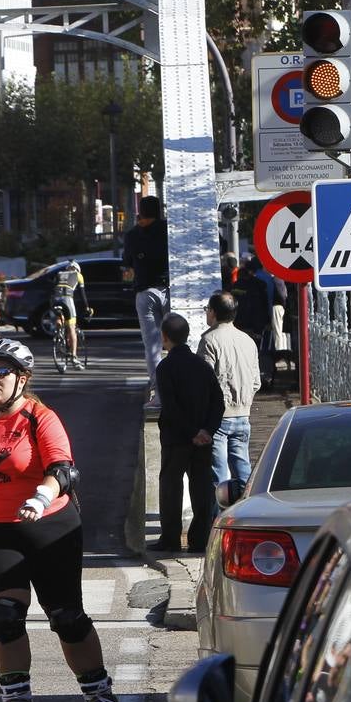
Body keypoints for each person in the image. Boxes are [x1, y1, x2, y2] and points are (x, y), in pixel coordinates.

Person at [0, 337, 124, 702]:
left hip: (49, 525)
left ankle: (98, 692)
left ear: (22, 379)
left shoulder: (39, 417)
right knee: (5, 617)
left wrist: (41, 496)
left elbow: (64, 469)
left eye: (2, 372)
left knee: (66, 615)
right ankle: (15, 698)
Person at [152, 314, 224, 553]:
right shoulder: (201, 365)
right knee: (202, 489)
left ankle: (170, 538)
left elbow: (170, 407)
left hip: (176, 439)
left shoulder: (166, 367)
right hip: (203, 439)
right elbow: (218, 402)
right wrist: (207, 431)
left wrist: (192, 432)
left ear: (165, 337)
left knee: (172, 488)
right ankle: (200, 538)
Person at [197, 291, 262, 505]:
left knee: (219, 476)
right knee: (244, 472)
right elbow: (256, 382)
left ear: (213, 312)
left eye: (207, 309)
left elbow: (204, 381)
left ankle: (220, 525)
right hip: (243, 415)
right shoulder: (248, 341)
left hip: (218, 418)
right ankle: (250, 513)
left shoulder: (209, 340)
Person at [121, 195, 170, 401]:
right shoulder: (168, 229)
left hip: (145, 293)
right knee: (177, 341)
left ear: (140, 212)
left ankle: (158, 392)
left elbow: (127, 262)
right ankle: (179, 385)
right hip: (169, 290)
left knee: (152, 346)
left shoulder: (133, 235)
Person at [51, 260, 87, 367]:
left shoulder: (59, 274)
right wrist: (87, 307)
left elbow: (53, 288)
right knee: (71, 327)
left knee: (60, 314)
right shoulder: (78, 275)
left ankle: (58, 327)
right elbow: (82, 294)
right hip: (67, 299)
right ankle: (74, 356)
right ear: (77, 269)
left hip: (55, 299)